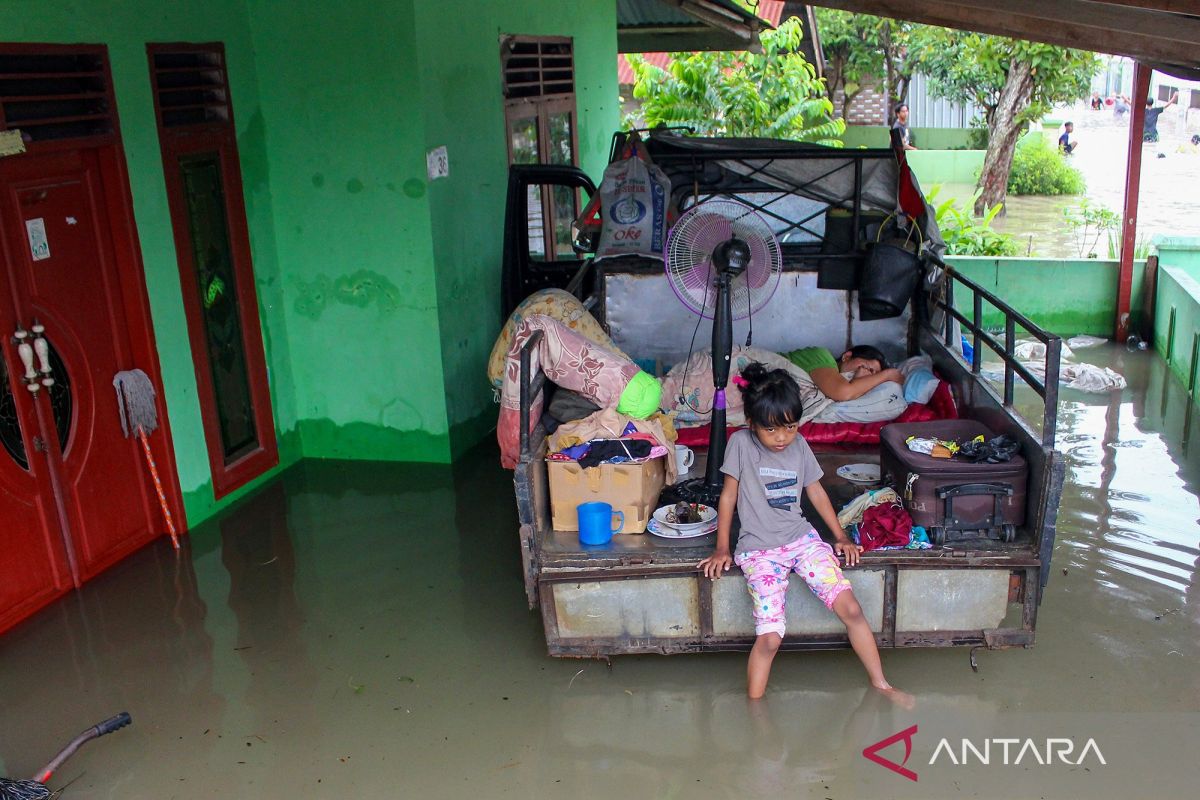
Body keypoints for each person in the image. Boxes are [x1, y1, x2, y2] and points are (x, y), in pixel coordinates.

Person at [697, 362, 909, 702]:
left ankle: (881, 684)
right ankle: (756, 714)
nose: (782, 438)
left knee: (852, 610)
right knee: (769, 639)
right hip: (758, 551)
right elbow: (728, 496)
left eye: (790, 427)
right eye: (771, 430)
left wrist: (839, 536)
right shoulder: (740, 444)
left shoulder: (799, 446)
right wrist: (722, 548)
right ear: (751, 424)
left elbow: (817, 492)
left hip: (802, 541)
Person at [785, 344, 906, 423]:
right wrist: (887, 375)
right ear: (847, 357)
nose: (866, 374)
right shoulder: (821, 355)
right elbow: (843, 392)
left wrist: (858, 382)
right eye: (866, 367)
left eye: (872, 376)